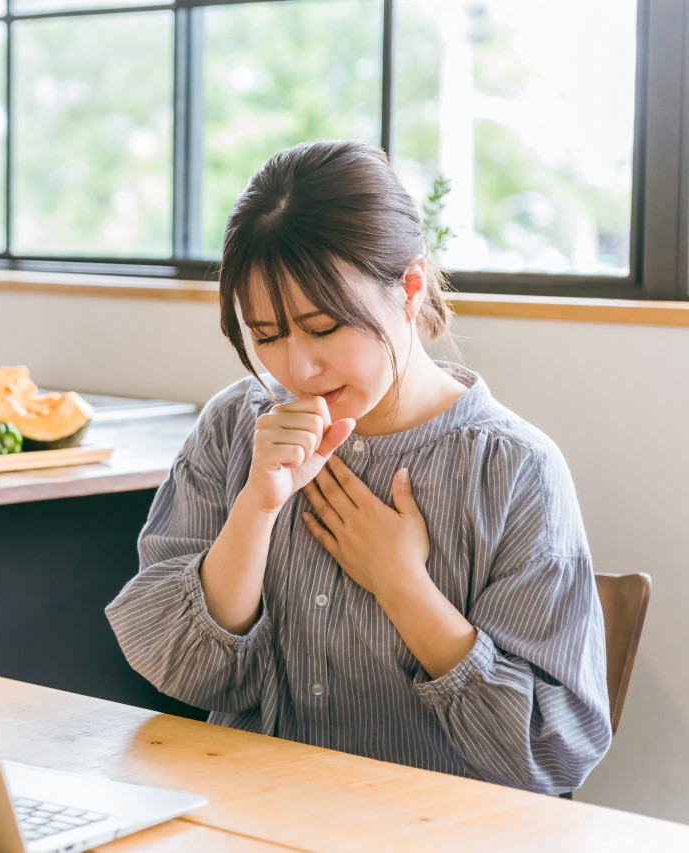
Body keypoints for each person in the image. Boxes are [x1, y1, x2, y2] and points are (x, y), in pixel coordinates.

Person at [105, 139, 611, 796]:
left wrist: (403, 586)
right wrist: (256, 507)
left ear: (410, 286)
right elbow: (170, 664)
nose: (298, 367)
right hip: (252, 811)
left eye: (323, 327)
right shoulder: (236, 425)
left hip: (432, 830)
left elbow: (550, 750)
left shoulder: (513, 468)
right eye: (267, 335)